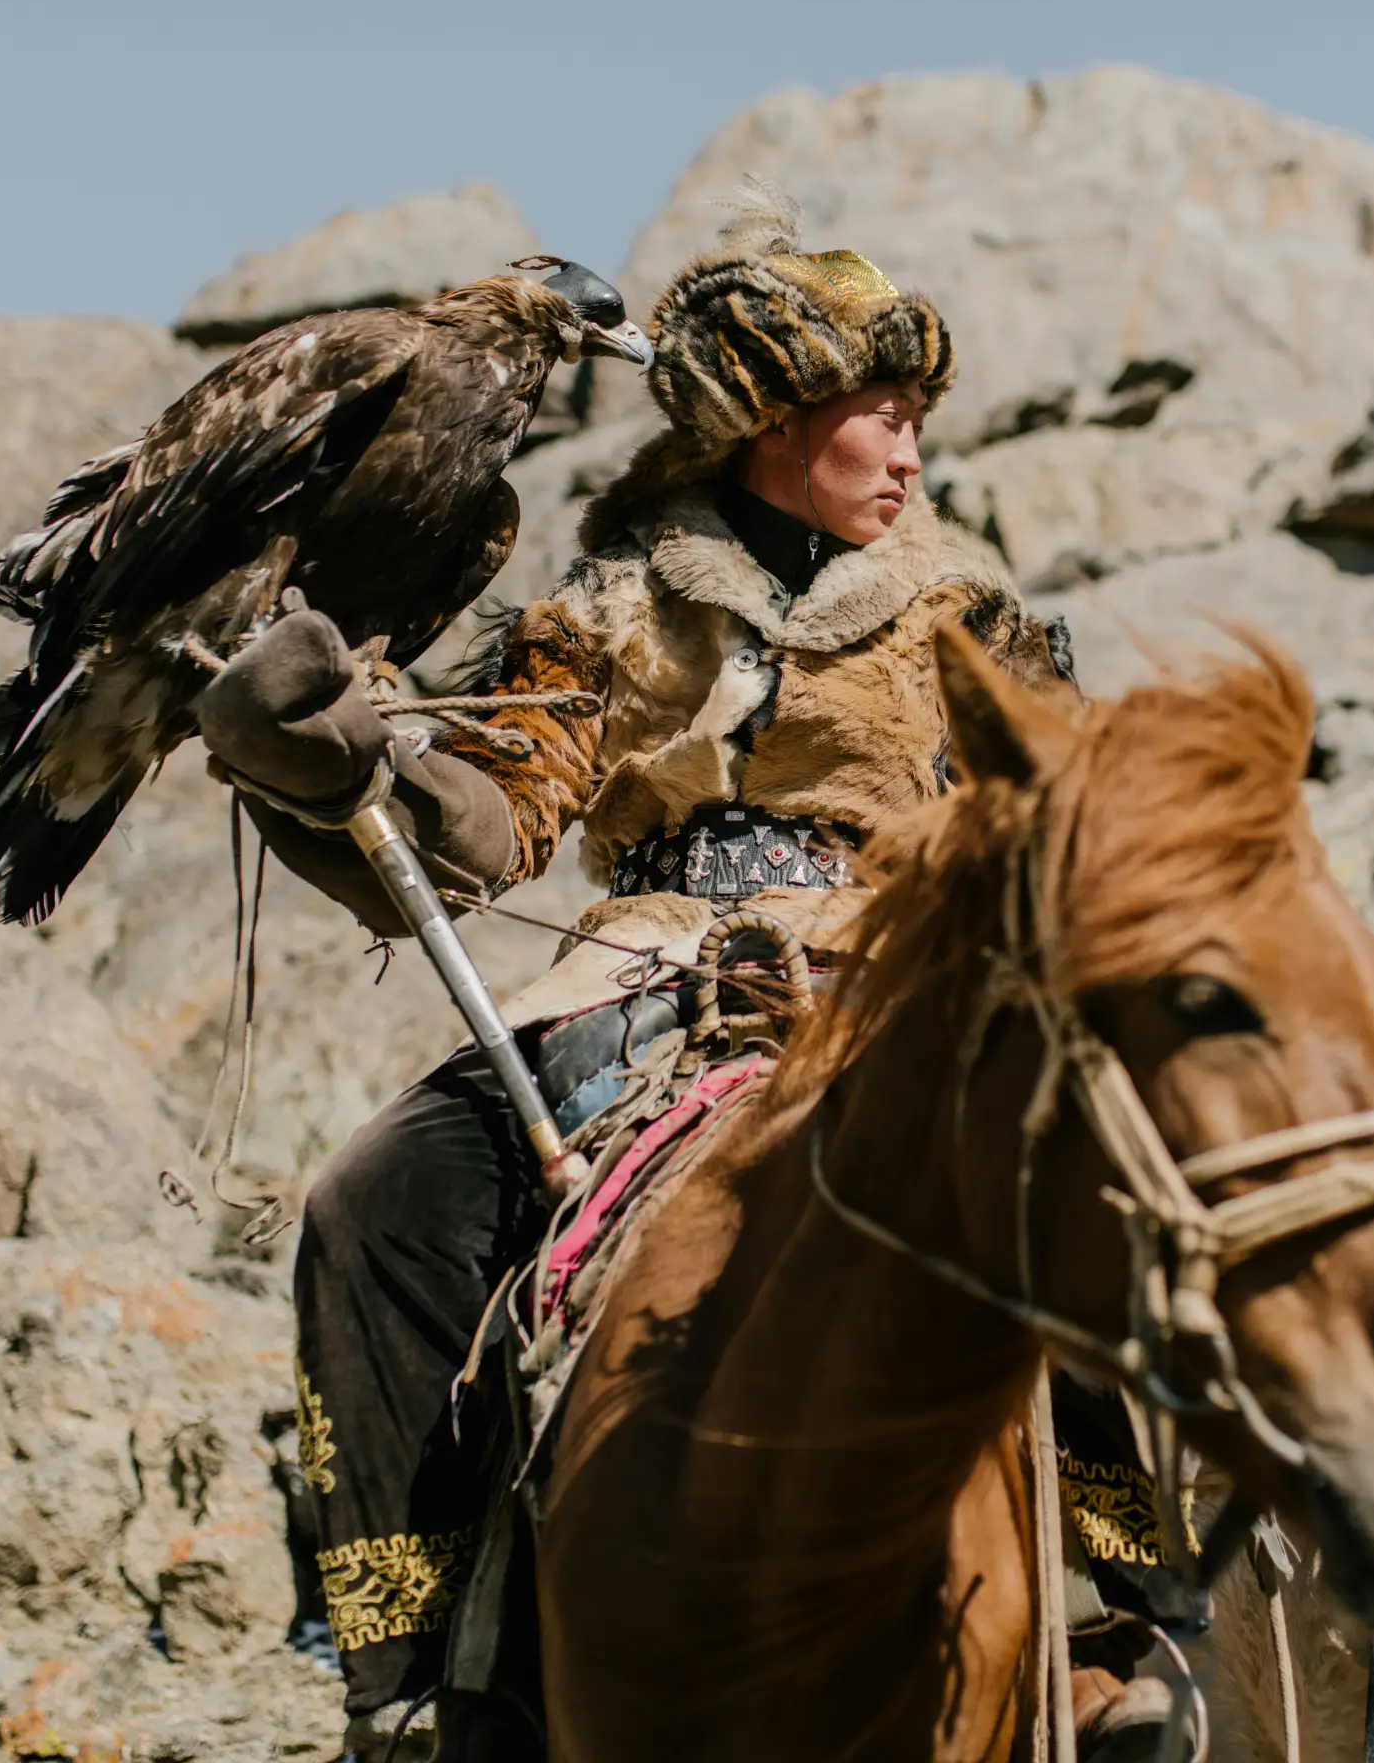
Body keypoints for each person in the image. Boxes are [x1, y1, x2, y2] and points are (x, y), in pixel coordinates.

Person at [188, 192, 1076, 1758]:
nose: (916, 454)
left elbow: (1063, 809)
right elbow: (491, 817)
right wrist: (340, 769)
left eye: (920, 418)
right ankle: (415, 1679)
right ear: (776, 421)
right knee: (370, 1205)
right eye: (885, 415)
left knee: (1090, 1166)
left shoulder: (975, 613)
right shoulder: (603, 610)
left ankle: (1128, 1615)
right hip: (636, 975)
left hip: (900, 966)